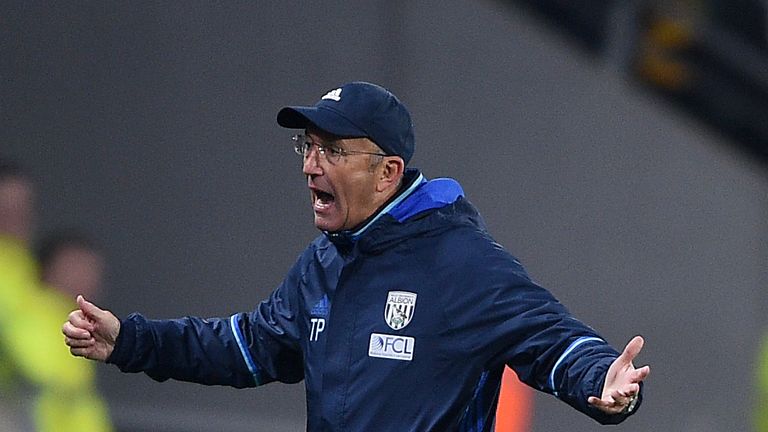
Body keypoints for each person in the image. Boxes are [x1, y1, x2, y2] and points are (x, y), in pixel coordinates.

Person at [63, 81, 650, 431]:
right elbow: (245, 346)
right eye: (307, 146)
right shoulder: (323, 263)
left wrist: (603, 376)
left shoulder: (459, 262)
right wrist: (129, 342)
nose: (310, 165)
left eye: (333, 150)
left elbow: (550, 338)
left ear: (387, 172)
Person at [0, 159, 113, 432]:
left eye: (22, 207)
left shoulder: (23, 274)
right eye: (5, 207)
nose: (15, 217)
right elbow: (35, 362)